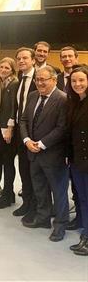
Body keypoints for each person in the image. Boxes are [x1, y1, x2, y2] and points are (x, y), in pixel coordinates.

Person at [20, 66, 69, 242]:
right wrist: (26, 140)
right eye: (37, 79)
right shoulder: (33, 96)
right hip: (33, 153)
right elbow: (24, 119)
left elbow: (62, 128)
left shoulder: (62, 99)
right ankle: (43, 219)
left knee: (59, 191)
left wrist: (41, 144)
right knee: (39, 188)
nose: (39, 82)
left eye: (44, 80)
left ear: (54, 80)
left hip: (52, 155)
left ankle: (61, 225)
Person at [13, 47, 39, 222]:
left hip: (36, 131)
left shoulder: (38, 78)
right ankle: (27, 202)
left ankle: (36, 207)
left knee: (35, 172)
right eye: (19, 58)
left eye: (25, 58)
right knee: (23, 168)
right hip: (20, 130)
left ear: (33, 60)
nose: (21, 61)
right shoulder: (20, 79)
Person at [0, 57, 19, 209]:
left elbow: (13, 108)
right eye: (1, 67)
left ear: (12, 70)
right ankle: (8, 194)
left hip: (7, 130)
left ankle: (8, 194)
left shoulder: (14, 84)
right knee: (0, 159)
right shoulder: (0, 83)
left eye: (7, 68)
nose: (3, 70)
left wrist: (9, 128)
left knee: (8, 163)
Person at [67, 66, 88, 255]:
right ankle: (84, 230)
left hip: (86, 159)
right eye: (74, 81)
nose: (77, 84)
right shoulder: (74, 102)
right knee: (82, 197)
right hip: (76, 159)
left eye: (81, 80)